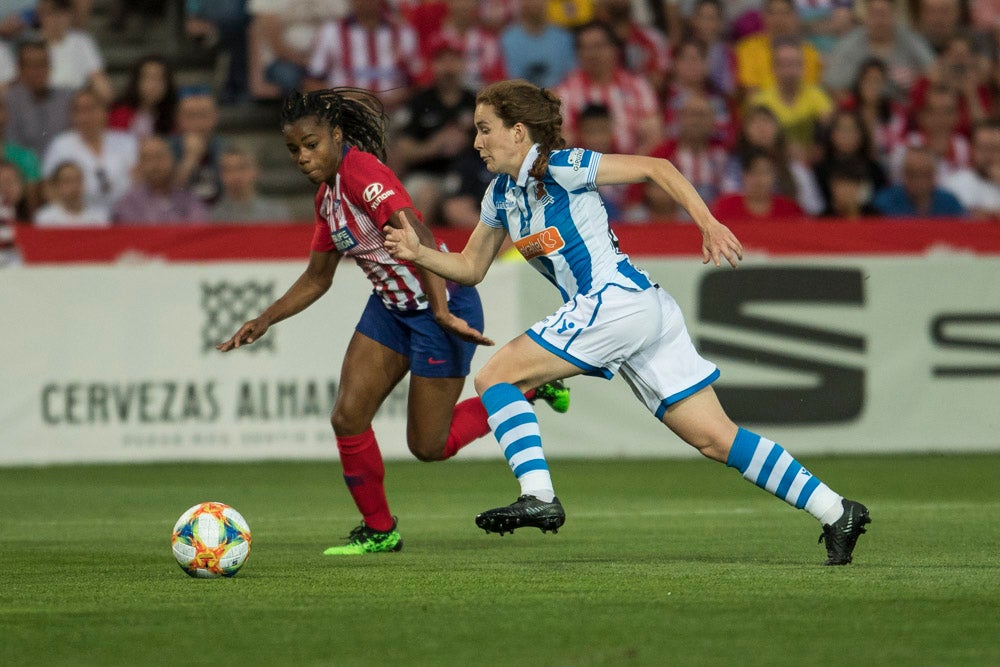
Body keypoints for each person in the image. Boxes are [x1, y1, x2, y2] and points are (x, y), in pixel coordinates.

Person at [384, 79, 872, 566]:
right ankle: (836, 510)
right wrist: (419, 253)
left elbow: (655, 167)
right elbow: (471, 268)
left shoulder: (561, 165)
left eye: (484, 129)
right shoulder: (500, 196)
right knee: (715, 438)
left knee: (495, 375)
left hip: (615, 302)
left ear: (517, 132)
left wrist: (708, 222)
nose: (476, 142)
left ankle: (538, 494)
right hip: (640, 311)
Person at [217, 87, 570, 555]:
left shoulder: (362, 173)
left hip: (444, 304)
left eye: (310, 144)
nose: (302, 157)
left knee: (429, 445)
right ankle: (380, 530)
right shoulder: (328, 197)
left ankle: (527, 390)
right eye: (293, 149)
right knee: (347, 417)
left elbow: (417, 233)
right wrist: (264, 320)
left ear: (338, 136)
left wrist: (441, 310)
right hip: (390, 308)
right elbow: (317, 278)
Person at [42, 87, 138, 219]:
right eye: (79, 111)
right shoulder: (61, 145)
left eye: (91, 109)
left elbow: (140, 181)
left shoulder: (126, 142)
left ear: (104, 111)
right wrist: (68, 216)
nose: (85, 117)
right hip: (82, 218)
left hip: (126, 216)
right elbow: (49, 188)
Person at [112, 135, 210, 224]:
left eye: (160, 156)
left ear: (172, 160)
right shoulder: (128, 204)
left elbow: (199, 234)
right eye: (148, 159)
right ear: (139, 166)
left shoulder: (190, 200)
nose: (155, 164)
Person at [3, 40, 75, 158]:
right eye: (31, 65)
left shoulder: (67, 99)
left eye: (43, 64)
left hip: (63, 168)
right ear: (20, 69)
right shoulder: (9, 102)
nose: (38, 71)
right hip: (25, 171)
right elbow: (12, 148)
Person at [36, 0, 113, 102]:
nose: (56, 19)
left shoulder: (83, 41)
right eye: (50, 14)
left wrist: (107, 97)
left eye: (61, 14)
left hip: (76, 101)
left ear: (69, 16)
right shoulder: (32, 43)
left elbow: (97, 77)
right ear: (41, 16)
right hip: (44, 98)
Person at [500, 0, 577, 89]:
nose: (535, 3)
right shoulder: (507, 39)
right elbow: (508, 79)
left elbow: (571, 75)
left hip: (560, 98)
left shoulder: (563, 38)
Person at [873, 144, 966, 216]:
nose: (919, 181)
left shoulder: (950, 204)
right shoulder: (884, 203)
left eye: (925, 174)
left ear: (934, 175)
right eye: (912, 173)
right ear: (904, 175)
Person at [711, 148, 803, 219]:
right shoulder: (725, 207)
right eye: (753, 171)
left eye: (764, 172)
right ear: (744, 175)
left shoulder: (790, 209)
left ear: (774, 175)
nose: (759, 178)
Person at [211, 144, 291, 223]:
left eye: (242, 168)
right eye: (229, 169)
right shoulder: (211, 218)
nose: (236, 176)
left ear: (255, 171)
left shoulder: (277, 214)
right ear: (221, 175)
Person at [108, 55, 179, 139]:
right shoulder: (119, 113)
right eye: (148, 78)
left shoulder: (174, 116)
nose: (154, 85)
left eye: (160, 79)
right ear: (136, 81)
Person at [942, 119, 1000, 218]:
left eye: (995, 148)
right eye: (984, 148)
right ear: (972, 149)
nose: (990, 155)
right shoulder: (954, 183)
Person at [34, 160, 110, 226]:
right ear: (56, 187)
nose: (74, 186)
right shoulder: (45, 218)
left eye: (77, 180)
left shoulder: (100, 216)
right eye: (67, 181)